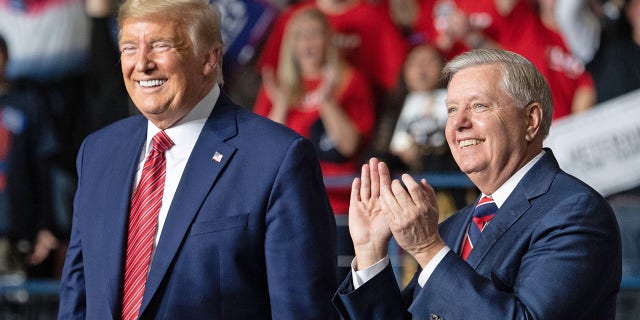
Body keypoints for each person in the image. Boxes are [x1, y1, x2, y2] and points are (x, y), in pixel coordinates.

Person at [57, 0, 337, 319]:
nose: (142, 63)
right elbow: (76, 298)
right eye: (129, 48)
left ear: (208, 58)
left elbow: (302, 310)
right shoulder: (97, 152)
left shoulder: (278, 159)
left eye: (160, 45)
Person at [333, 48, 622, 319]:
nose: (458, 123)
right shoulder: (453, 227)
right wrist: (370, 252)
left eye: (479, 106)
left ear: (531, 120)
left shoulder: (575, 212)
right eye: (451, 110)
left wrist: (427, 249)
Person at [253, 7, 375, 282]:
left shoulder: (350, 81)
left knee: (337, 292)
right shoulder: (277, 88)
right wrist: (282, 106)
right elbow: (262, 154)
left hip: (338, 210)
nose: (307, 42)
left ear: (328, 40)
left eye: (315, 35)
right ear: (290, 44)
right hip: (287, 208)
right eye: (300, 36)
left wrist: (327, 100)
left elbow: (347, 146)